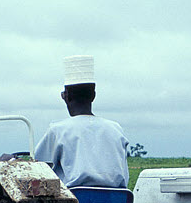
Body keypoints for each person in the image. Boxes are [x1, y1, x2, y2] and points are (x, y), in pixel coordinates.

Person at [34, 55, 129, 188]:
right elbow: (124, 175)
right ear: (93, 96)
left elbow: (37, 168)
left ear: (67, 96)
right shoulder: (116, 129)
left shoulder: (58, 130)